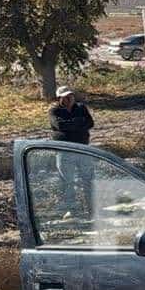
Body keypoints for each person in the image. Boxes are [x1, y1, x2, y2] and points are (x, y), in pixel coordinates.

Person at [49, 86, 95, 214]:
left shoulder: (81, 108)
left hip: (83, 149)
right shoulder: (54, 111)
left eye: (70, 96)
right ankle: (72, 210)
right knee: (67, 181)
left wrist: (71, 124)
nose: (69, 99)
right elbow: (60, 125)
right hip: (65, 150)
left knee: (88, 179)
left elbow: (90, 123)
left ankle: (92, 207)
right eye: (65, 97)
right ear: (59, 99)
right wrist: (79, 123)